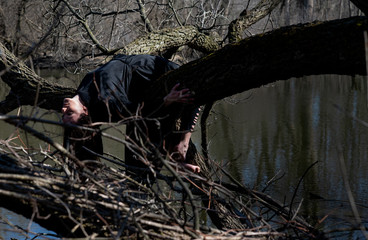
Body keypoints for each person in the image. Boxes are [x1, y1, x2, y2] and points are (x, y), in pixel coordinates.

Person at [61, 54, 200, 176]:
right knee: (140, 134)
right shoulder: (107, 100)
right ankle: (180, 150)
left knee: (141, 135)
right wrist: (165, 100)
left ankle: (174, 158)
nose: (63, 110)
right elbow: (140, 112)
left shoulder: (83, 93)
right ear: (84, 111)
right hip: (160, 76)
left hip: (146, 74)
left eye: (64, 114)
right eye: (70, 113)